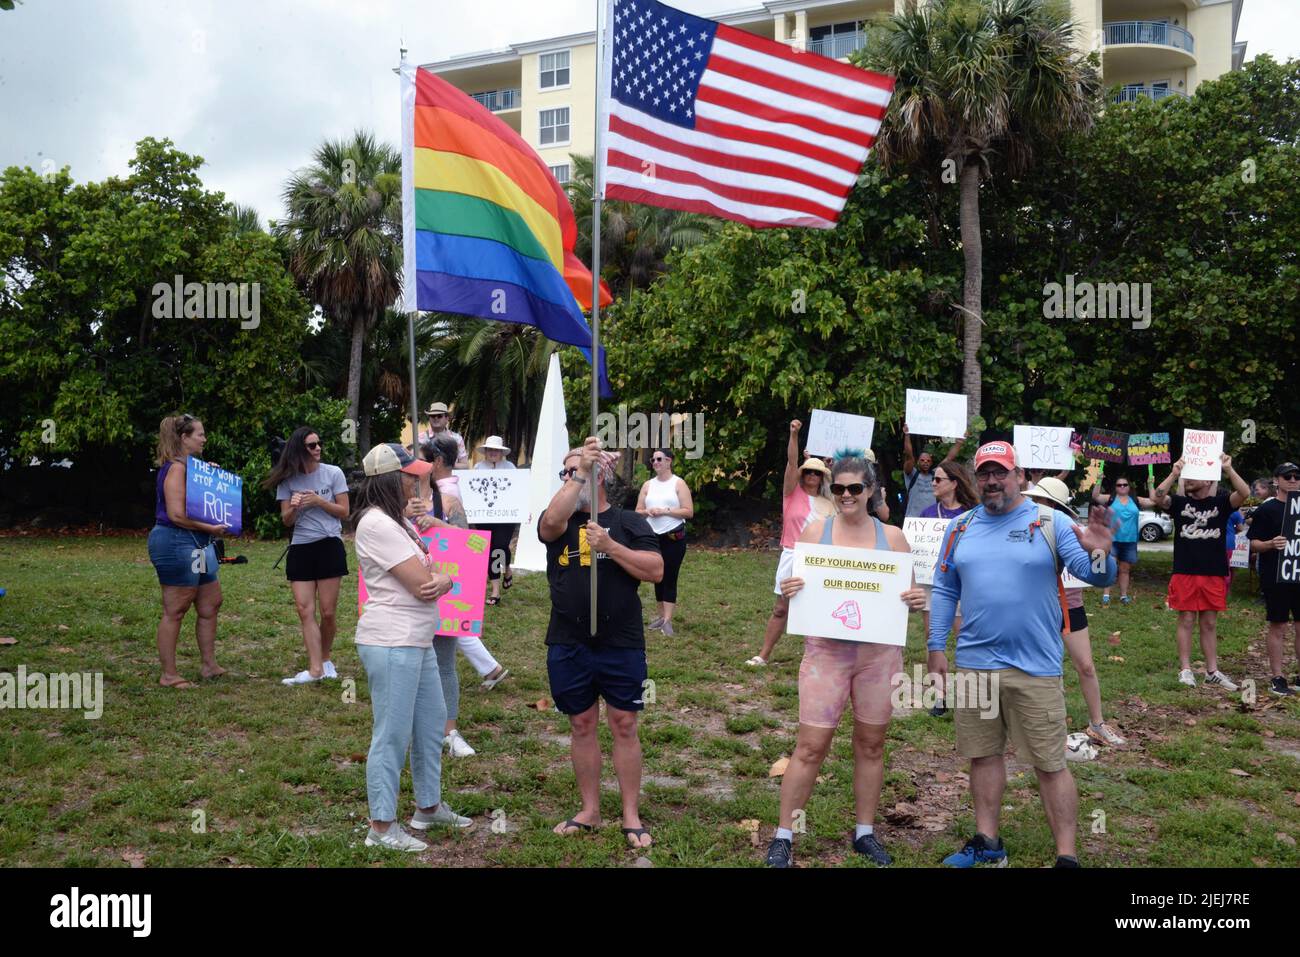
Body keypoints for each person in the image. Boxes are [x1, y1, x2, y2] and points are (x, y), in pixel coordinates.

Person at [929, 442, 1116, 868]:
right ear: (975, 479)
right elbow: (945, 589)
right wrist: (936, 646)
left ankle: (1066, 855)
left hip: (1035, 667)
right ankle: (988, 843)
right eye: (985, 473)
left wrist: (1101, 548)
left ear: (1020, 477)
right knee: (982, 754)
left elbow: (1094, 575)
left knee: (1050, 763)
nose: (993, 481)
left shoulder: (1049, 522)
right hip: (975, 663)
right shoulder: (959, 528)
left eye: (1001, 473)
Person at [764, 457, 927, 868]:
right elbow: (792, 590)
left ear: (871, 490)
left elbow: (908, 597)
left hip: (878, 656)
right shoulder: (817, 531)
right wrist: (792, 586)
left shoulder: (893, 538)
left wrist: (916, 599)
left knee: (871, 745)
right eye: (839, 489)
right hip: (827, 654)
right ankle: (785, 835)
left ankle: (865, 832)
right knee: (810, 746)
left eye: (855, 489)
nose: (846, 496)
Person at [539, 438, 663, 848]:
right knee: (581, 723)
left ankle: (630, 813)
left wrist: (610, 545)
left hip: (620, 641)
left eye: (578, 472)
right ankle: (589, 809)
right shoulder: (559, 519)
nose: (569, 479)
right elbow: (548, 526)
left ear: (601, 478)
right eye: (566, 473)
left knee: (624, 724)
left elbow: (656, 570)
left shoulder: (629, 522)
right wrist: (577, 474)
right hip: (568, 641)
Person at [351, 442, 473, 852]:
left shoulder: (398, 521)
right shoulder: (378, 525)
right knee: (392, 734)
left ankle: (428, 807)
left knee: (430, 721)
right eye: (412, 475)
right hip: (393, 641)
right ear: (393, 479)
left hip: (414, 640)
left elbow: (434, 567)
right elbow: (424, 584)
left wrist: (442, 578)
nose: (420, 481)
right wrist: (443, 580)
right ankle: (381, 828)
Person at [415, 433, 509, 757]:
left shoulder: (448, 502)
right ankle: (412, 730)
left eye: (421, 461)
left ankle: (449, 733)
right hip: (406, 598)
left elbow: (471, 543)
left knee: (444, 663)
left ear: (433, 465)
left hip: (442, 595)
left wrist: (433, 523)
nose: (415, 468)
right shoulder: (394, 504)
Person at [1026, 479, 1127, 747]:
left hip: (1070, 607)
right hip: (1037, 610)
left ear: (1054, 506)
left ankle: (1097, 724)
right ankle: (1041, 727)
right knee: (1043, 670)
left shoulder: (1074, 531)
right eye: (1034, 501)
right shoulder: (1023, 529)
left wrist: (1098, 552)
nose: (1035, 505)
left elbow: (1097, 573)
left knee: (1086, 665)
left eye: (1040, 501)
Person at [1150, 454, 1250, 690]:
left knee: (1209, 623)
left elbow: (1244, 492)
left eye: (1194, 476)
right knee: (1185, 619)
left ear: (1208, 480)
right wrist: (1174, 473)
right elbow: (1157, 497)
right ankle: (1185, 670)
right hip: (1185, 570)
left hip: (1214, 572)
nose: (1188, 479)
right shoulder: (1179, 503)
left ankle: (1212, 671)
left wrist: (1228, 468)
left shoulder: (1222, 503)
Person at [147, 414, 231, 689]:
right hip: (176, 541)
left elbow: (203, 502)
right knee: (177, 607)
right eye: (200, 434)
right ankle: (169, 675)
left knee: (210, 602)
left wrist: (211, 478)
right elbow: (176, 514)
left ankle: (209, 665)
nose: (204, 439)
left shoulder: (194, 468)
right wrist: (211, 527)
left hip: (198, 542)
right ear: (184, 438)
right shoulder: (177, 469)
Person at [264, 426, 350, 686]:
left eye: (319, 443)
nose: (318, 448)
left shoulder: (333, 473)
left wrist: (318, 501)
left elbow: (345, 511)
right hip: (300, 547)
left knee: (327, 612)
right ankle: (314, 669)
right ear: (300, 450)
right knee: (304, 610)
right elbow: (286, 521)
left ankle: (325, 659)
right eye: (312, 445)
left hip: (329, 545)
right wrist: (293, 506)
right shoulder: (288, 480)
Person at [746, 421, 835, 667]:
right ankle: (763, 655)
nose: (812, 476)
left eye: (817, 472)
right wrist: (793, 435)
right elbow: (791, 462)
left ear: (823, 477)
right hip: (792, 554)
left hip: (820, 559)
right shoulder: (791, 493)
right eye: (808, 471)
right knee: (781, 609)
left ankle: (820, 659)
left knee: (818, 610)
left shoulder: (830, 503)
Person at [915, 461, 978, 714]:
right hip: (932, 583)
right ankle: (937, 696)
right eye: (933, 479)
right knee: (933, 638)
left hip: (964, 584)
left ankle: (972, 692)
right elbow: (916, 548)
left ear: (954, 483)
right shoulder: (927, 515)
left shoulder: (973, 514)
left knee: (966, 637)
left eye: (938, 479)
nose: (933, 483)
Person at [1247, 462, 1300, 696]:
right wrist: (1270, 544)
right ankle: (1277, 677)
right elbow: (1253, 544)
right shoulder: (1267, 510)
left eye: (1297, 476)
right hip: (1276, 574)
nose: (1293, 480)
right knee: (1278, 624)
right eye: (1287, 476)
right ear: (1276, 481)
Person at [635, 448, 694, 636]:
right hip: (652, 537)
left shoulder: (678, 483)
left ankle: (668, 620)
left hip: (673, 537)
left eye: (659, 459)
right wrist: (648, 512)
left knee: (670, 576)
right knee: (657, 576)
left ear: (669, 461)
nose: (655, 462)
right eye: (653, 460)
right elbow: (638, 510)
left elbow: (688, 511)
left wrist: (666, 511)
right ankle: (661, 616)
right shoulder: (647, 485)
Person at [1091, 474, 1156, 606]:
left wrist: (1150, 484)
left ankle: (1123, 596)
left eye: (1124, 485)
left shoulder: (1135, 500)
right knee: (1111, 567)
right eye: (1119, 485)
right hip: (1112, 539)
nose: (1122, 487)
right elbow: (1095, 496)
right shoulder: (1111, 498)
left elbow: (1153, 501)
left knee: (1125, 569)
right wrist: (1098, 480)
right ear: (1115, 487)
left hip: (1130, 541)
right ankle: (1106, 595)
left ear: (1129, 487)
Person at [473, 435, 519, 606]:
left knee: (500, 546)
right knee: (491, 550)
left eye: (496, 450)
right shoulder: (478, 468)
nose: (493, 453)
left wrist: (523, 511)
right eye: (490, 450)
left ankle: (507, 569)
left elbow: (519, 490)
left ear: (501, 453)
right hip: (484, 517)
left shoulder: (511, 468)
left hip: (506, 516)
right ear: (485, 452)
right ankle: (495, 591)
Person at [902, 422, 967, 518]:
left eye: (928, 461)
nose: (925, 462)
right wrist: (907, 435)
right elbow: (909, 456)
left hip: (931, 519)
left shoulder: (936, 476)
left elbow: (949, 458)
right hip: (913, 520)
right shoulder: (911, 474)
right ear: (918, 462)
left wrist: (960, 442)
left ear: (931, 463)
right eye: (922, 460)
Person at [417, 402, 469, 469]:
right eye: (433, 416)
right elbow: (415, 462)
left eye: (439, 416)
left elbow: (465, 465)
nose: (436, 418)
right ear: (429, 418)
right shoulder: (420, 438)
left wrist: (447, 465)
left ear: (447, 418)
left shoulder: (457, 438)